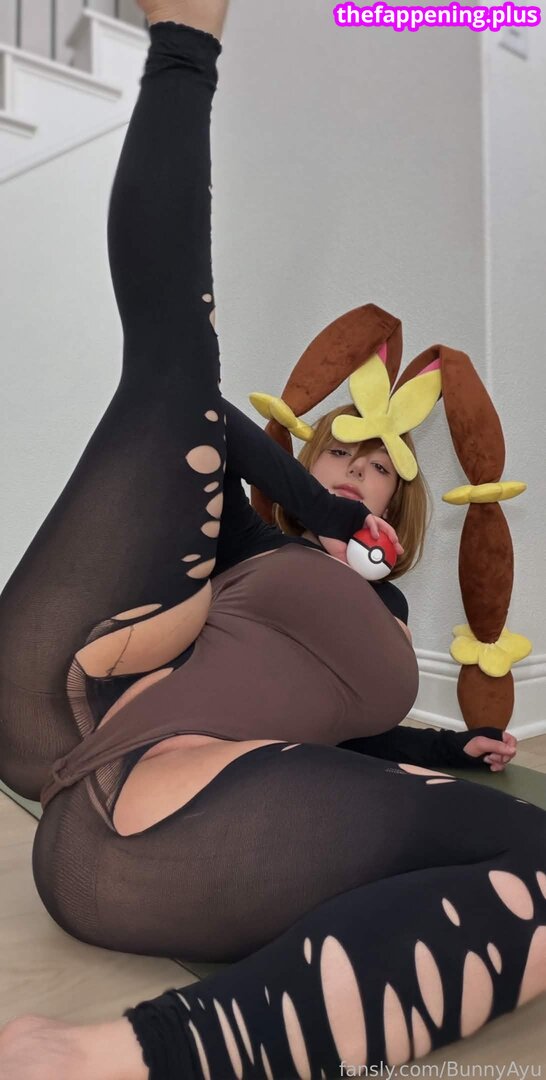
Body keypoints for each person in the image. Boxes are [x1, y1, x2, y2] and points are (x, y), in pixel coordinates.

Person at [0, 4, 544, 1078]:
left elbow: (335, 739)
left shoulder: (384, 616)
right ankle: (183, 44)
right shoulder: (256, 544)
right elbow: (207, 412)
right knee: (176, 377)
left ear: (402, 513)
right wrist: (324, 517)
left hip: (169, 831)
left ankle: (114, 1055)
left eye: (377, 466)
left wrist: (451, 750)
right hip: (71, 717)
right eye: (339, 453)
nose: (355, 468)